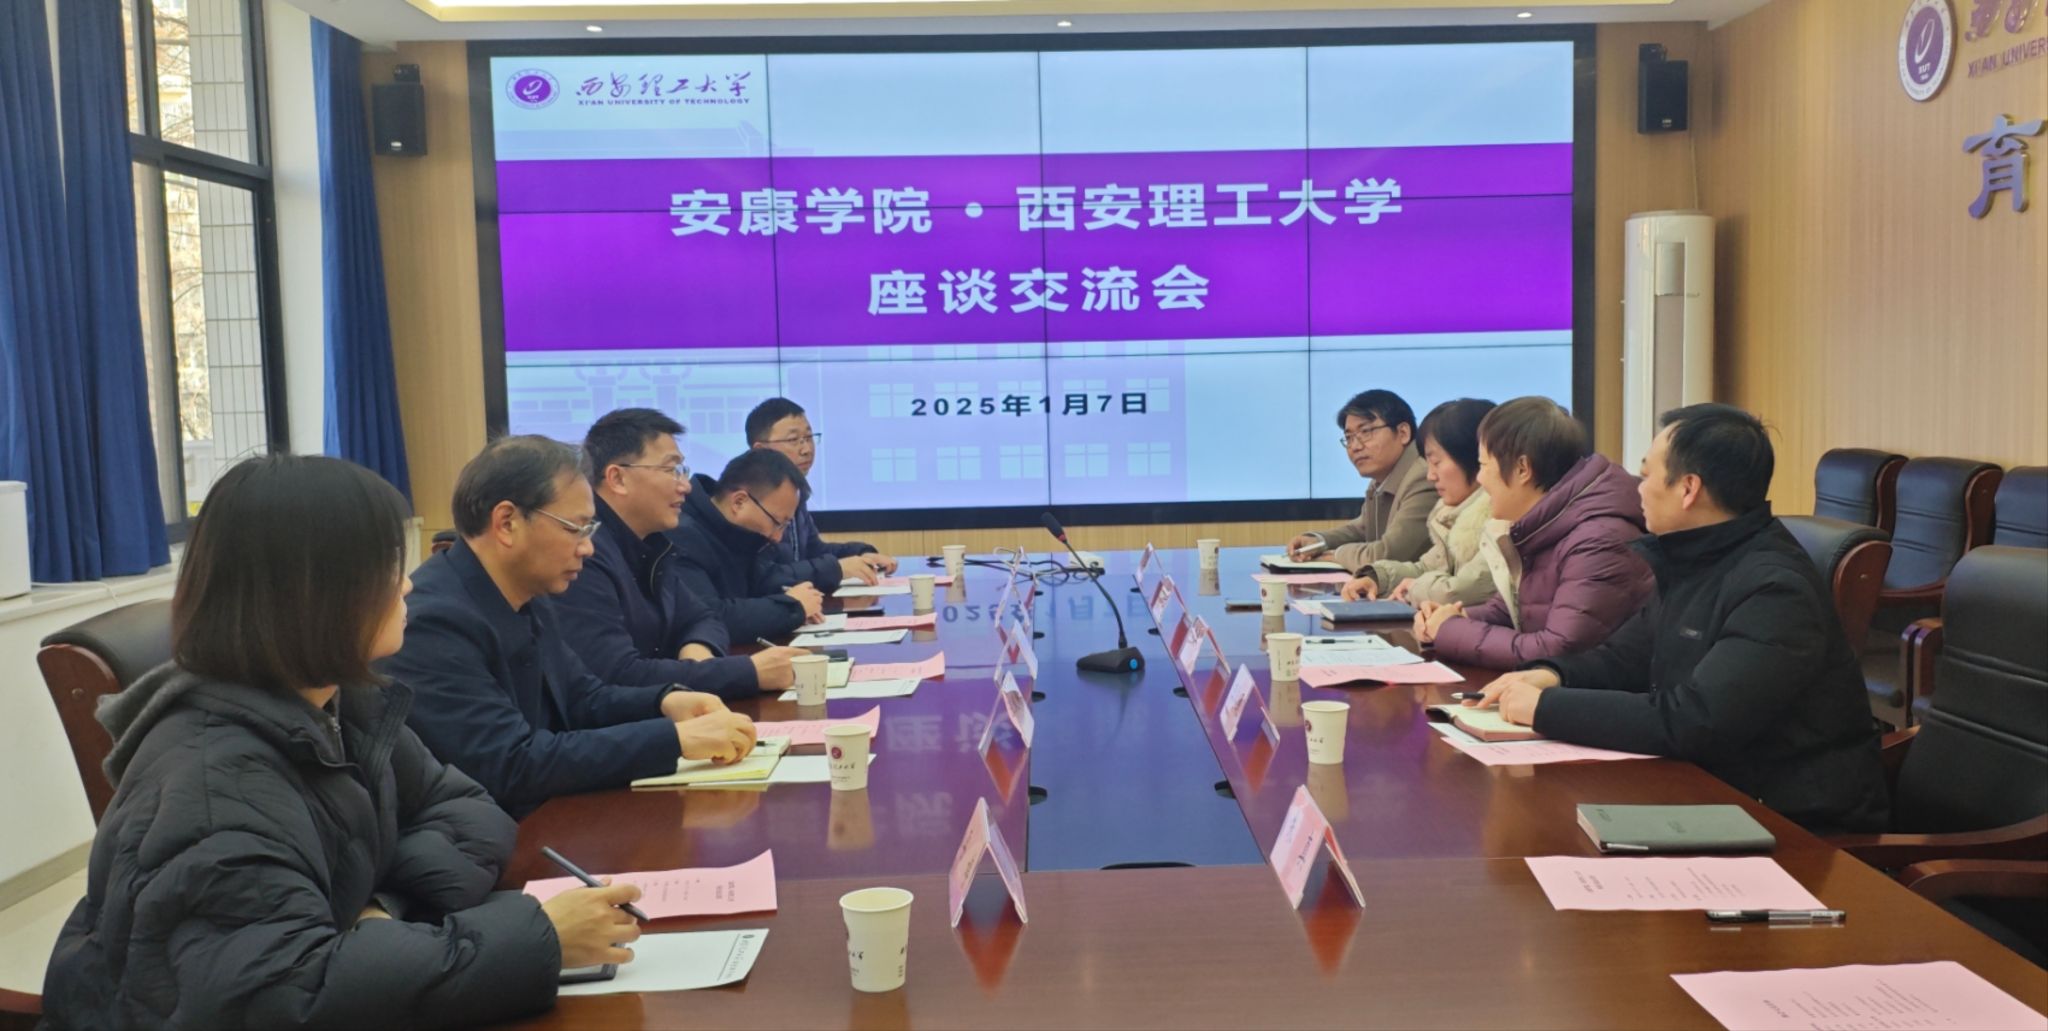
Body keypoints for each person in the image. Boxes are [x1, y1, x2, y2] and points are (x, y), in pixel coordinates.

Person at [43, 455, 642, 1028]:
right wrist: (539, 939)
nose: (407, 586)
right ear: (310, 593)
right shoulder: (213, 779)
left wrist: (379, 910)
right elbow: (286, 995)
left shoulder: (343, 701)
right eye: (385, 569)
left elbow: (471, 809)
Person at [1465, 404, 1890, 832]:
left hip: (1792, 824)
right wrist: (1552, 675)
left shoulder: (1774, 589)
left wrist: (1547, 709)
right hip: (1712, 792)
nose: (1638, 488)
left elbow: (1697, 720)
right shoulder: (1694, 557)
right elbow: (1624, 658)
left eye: (1647, 475)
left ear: (1688, 489)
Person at [384, 436, 758, 818]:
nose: (587, 548)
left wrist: (664, 702)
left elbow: (582, 698)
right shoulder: (432, 622)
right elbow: (511, 764)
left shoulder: (528, 592)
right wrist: (673, 740)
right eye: (574, 528)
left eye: (589, 530)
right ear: (507, 523)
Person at [558, 408, 808, 699]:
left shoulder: (653, 544)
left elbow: (703, 616)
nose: (684, 486)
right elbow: (618, 674)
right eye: (670, 470)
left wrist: (699, 651)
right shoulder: (584, 554)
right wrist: (747, 672)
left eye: (682, 470)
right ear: (617, 478)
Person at [1415, 396, 1652, 669]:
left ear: (1522, 469)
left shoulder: (1597, 540)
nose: (1480, 479)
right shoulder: (1544, 524)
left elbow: (1557, 650)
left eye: (1484, 466)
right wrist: (1454, 617)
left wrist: (1449, 630)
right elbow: (1513, 611)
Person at [1339, 398, 1499, 607]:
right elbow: (1425, 568)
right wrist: (1378, 578)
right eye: (1348, 437)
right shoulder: (1451, 514)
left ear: (1475, 458)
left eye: (1436, 463)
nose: (1430, 475)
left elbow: (1461, 590)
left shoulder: (1501, 518)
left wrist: (1413, 588)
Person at [671, 448, 826, 641]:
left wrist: (797, 599)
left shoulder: (743, 535)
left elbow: (762, 581)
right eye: (777, 523)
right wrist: (791, 608)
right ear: (739, 502)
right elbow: (708, 617)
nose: (778, 537)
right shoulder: (682, 534)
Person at [747, 397, 896, 590]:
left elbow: (814, 551)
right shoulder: (750, 503)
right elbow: (765, 576)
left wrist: (861, 554)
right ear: (760, 450)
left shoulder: (795, 492)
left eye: (809, 437)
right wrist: (836, 569)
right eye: (793, 440)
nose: (807, 449)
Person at [1287, 389, 1439, 572]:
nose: (1355, 447)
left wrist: (1337, 555)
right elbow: (1362, 528)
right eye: (1349, 438)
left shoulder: (1424, 477)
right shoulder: (1384, 477)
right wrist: (1318, 541)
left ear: (1403, 433)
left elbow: (1387, 555)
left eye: (1366, 432)